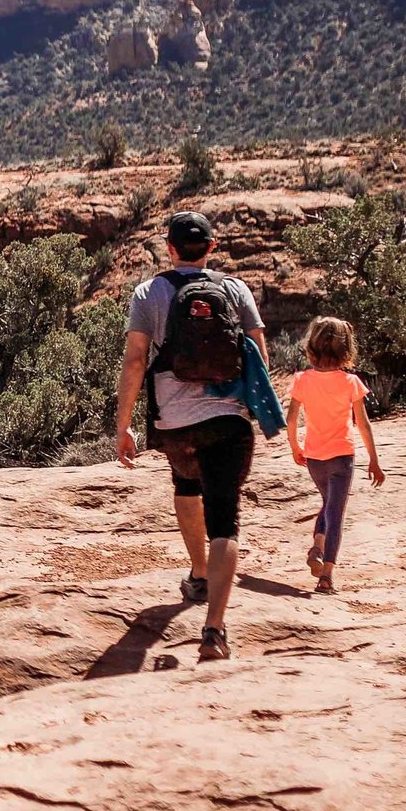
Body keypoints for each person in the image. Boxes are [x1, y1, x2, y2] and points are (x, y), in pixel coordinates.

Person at [115, 210, 266, 661]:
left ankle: (199, 573)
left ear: (171, 248)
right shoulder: (235, 289)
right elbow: (258, 350)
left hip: (174, 425)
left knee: (185, 484)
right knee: (225, 517)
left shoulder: (149, 292)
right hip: (228, 421)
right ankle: (214, 630)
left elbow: (136, 361)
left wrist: (123, 424)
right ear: (212, 248)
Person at [283, 316, 382, 595]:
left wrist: (295, 447)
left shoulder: (302, 380)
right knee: (335, 511)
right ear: (346, 349)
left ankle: (317, 544)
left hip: (314, 457)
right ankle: (326, 575)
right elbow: (362, 423)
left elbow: (291, 419)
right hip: (342, 456)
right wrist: (374, 459)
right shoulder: (351, 382)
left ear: (312, 348)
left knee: (328, 503)